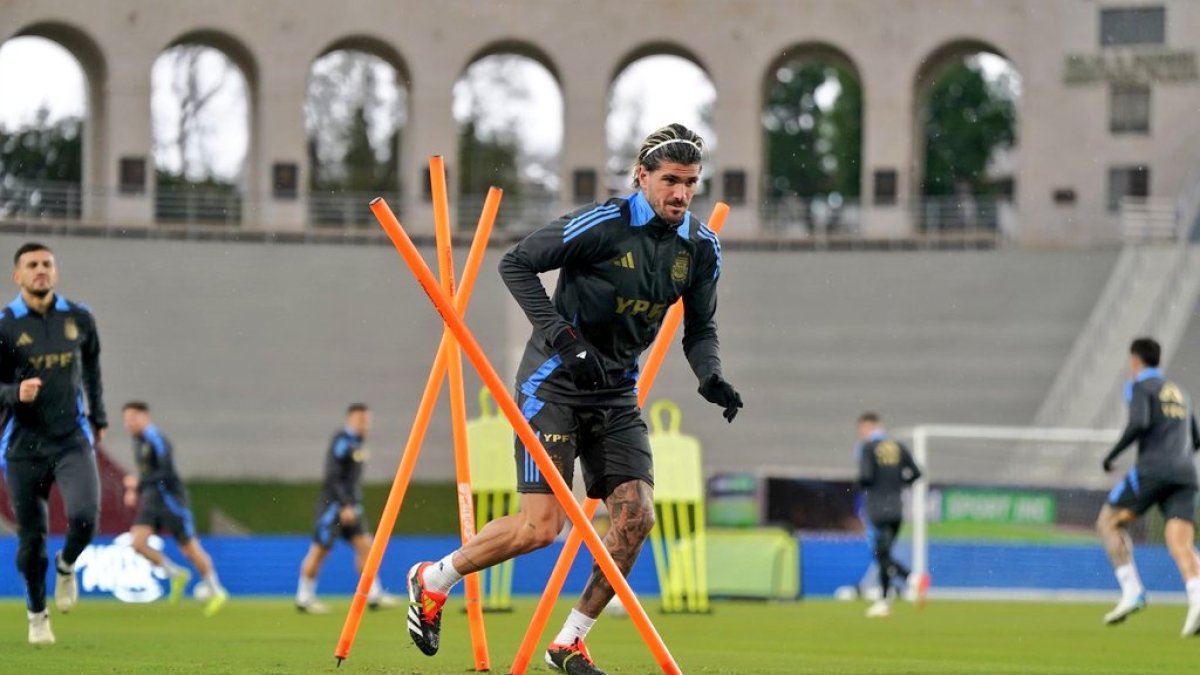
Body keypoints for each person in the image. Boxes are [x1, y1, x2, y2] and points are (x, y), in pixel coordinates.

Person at [404, 123, 743, 675]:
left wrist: (711, 376)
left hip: (615, 396)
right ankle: (432, 579)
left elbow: (700, 328)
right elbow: (515, 263)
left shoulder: (701, 248)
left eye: (690, 183)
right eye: (670, 181)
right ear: (642, 177)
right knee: (541, 529)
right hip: (553, 384)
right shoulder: (604, 223)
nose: (681, 194)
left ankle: (568, 642)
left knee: (636, 521)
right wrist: (565, 340)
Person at [0, 242, 106, 645]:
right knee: (31, 541)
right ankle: (37, 615)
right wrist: (14, 393)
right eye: (32, 265)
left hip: (71, 439)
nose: (40, 270)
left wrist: (99, 416)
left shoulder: (79, 318)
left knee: (84, 518)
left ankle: (67, 565)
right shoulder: (6, 324)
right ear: (18, 276)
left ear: (55, 272)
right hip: (23, 446)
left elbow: (93, 367)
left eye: (47, 264)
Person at [1097, 337, 1200, 636]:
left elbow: (1139, 422)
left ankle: (1132, 591)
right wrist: (1176, 462)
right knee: (1179, 543)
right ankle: (1196, 598)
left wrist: (1112, 456)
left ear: (1135, 360)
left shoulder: (1140, 386)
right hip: (1186, 473)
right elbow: (1196, 437)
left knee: (1108, 522)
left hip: (1152, 470)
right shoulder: (1179, 392)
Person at [120, 401, 228, 616]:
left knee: (189, 548)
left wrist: (138, 484)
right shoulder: (138, 442)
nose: (129, 424)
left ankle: (217, 590)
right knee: (137, 543)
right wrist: (138, 490)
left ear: (145, 417)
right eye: (126, 420)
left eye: (133, 418)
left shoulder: (157, 439)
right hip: (152, 500)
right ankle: (176, 574)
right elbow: (149, 474)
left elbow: (166, 472)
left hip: (171, 501)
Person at [296, 403, 398, 613]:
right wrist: (344, 504)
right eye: (362, 420)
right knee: (319, 551)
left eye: (368, 420)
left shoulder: (358, 444)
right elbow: (333, 476)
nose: (366, 424)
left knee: (366, 548)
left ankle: (373, 595)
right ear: (350, 420)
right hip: (334, 507)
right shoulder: (341, 441)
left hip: (353, 507)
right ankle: (304, 598)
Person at [856, 412, 923, 618]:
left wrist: (864, 485)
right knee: (884, 554)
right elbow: (917, 473)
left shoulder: (868, 448)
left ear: (868, 427)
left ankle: (910, 577)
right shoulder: (898, 447)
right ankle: (886, 601)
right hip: (897, 508)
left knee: (880, 554)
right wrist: (896, 485)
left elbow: (866, 477)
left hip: (877, 507)